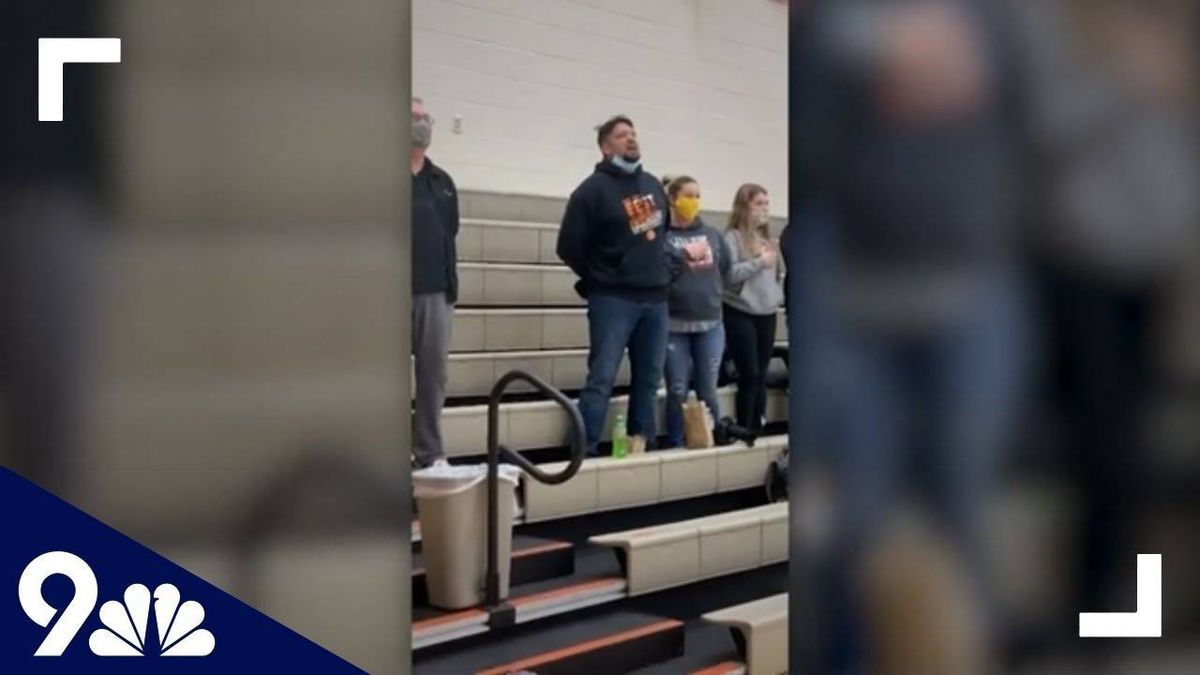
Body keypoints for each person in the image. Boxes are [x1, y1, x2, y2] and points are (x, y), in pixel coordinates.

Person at [556, 116, 706, 455]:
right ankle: (584, 449)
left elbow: (661, 236)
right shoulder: (590, 191)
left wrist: (664, 272)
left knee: (649, 378)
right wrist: (600, 276)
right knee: (602, 376)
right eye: (622, 135)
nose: (632, 139)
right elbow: (568, 246)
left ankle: (642, 442)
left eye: (634, 133)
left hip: (655, 298)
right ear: (606, 147)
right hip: (613, 298)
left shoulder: (652, 185)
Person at [661, 175, 735, 448]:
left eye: (697, 196)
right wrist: (682, 257)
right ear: (672, 200)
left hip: (710, 323)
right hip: (674, 324)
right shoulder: (664, 237)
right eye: (687, 196)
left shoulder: (713, 235)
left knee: (708, 389)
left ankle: (712, 439)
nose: (693, 201)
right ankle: (675, 441)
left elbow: (725, 270)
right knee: (677, 389)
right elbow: (658, 274)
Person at [410, 97, 459, 469]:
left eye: (425, 116)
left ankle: (429, 452)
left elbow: (449, 231)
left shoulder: (442, 182)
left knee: (433, 376)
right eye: (413, 116)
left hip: (435, 291)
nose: (421, 122)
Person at [722, 183, 784, 436]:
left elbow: (777, 274)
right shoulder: (732, 238)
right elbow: (729, 275)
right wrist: (758, 262)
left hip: (766, 312)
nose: (764, 209)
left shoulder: (767, 240)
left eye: (766, 204)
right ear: (744, 206)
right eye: (758, 204)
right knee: (749, 373)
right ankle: (744, 428)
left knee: (761, 375)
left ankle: (758, 425)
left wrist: (775, 295)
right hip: (741, 311)